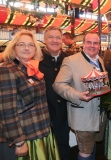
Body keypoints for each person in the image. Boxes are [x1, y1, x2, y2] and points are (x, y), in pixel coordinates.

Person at [0, 30, 60, 160]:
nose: (27, 48)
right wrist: (19, 141)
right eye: (21, 44)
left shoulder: (31, 67)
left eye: (31, 45)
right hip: (22, 137)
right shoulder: (6, 69)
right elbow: (6, 110)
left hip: (39, 132)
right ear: (13, 47)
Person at [53, 32, 107, 160]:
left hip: (98, 114)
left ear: (99, 45)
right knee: (85, 150)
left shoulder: (100, 60)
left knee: (92, 146)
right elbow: (58, 84)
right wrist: (78, 95)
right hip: (82, 114)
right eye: (89, 42)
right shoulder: (71, 60)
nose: (92, 46)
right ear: (83, 44)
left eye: (95, 43)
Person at [39, 26, 70, 160]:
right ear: (45, 39)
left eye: (58, 37)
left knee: (63, 146)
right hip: (43, 114)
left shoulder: (69, 60)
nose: (54, 40)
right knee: (44, 149)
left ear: (62, 40)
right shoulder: (36, 60)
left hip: (64, 113)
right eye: (51, 37)